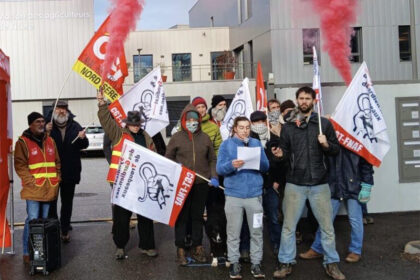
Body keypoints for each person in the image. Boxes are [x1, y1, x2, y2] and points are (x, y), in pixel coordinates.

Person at [273, 86, 345, 280]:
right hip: (295, 184)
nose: (304, 101)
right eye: (301, 98)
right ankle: (286, 262)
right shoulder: (289, 127)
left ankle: (331, 264)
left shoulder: (324, 124)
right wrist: (280, 155)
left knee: (327, 228)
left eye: (307, 98)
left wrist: (325, 144)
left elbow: (336, 150)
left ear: (314, 101)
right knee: (288, 227)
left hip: (320, 184)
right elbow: (285, 153)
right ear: (297, 100)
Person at [96, 90, 158, 260]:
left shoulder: (147, 137)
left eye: (138, 124)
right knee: (122, 217)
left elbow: (155, 156)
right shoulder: (118, 134)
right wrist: (102, 104)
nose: (136, 126)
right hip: (123, 182)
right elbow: (106, 121)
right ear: (127, 124)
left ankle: (147, 245)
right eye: (133, 124)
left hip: (142, 183)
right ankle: (120, 246)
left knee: (145, 215)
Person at [300, 145, 374, 263]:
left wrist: (367, 185)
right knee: (326, 219)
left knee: (355, 220)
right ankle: (317, 249)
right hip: (335, 185)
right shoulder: (331, 136)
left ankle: (355, 251)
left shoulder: (357, 138)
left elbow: (366, 163)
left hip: (353, 185)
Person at [165, 104, 218, 265]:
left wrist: (213, 176)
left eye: (195, 120)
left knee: (197, 217)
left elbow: (212, 159)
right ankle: (180, 248)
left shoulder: (205, 138)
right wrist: (176, 167)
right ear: (183, 120)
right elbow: (168, 158)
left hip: (201, 184)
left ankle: (197, 246)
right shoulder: (176, 138)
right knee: (182, 217)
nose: (192, 122)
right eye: (189, 120)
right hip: (183, 184)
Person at [217, 116, 269, 279]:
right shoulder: (226, 145)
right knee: (233, 232)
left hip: (254, 196)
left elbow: (266, 166)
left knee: (257, 231)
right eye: (241, 127)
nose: (245, 130)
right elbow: (219, 169)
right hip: (234, 196)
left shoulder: (255, 143)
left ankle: (256, 263)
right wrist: (232, 165)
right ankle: (234, 263)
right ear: (234, 129)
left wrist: (258, 160)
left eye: (247, 127)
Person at [14, 112, 61, 264]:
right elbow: (20, 165)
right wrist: (30, 181)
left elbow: (57, 162)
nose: (41, 124)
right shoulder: (23, 142)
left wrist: (57, 178)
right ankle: (28, 252)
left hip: (49, 188)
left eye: (42, 121)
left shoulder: (50, 141)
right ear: (30, 125)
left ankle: (41, 252)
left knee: (44, 222)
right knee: (32, 221)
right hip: (33, 189)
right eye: (37, 122)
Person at [46, 100, 89, 243]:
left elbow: (84, 145)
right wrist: (45, 131)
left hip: (70, 171)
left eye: (64, 109)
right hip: (51, 172)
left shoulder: (75, 126)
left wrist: (82, 138)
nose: (61, 111)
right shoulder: (46, 125)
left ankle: (64, 229)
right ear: (53, 111)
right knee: (51, 202)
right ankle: (53, 227)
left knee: (67, 202)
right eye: (58, 109)